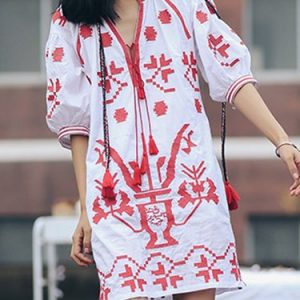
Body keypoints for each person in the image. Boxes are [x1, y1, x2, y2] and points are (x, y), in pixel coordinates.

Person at [44, 0, 300, 299]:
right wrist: (86, 208)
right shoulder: (69, 22)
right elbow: (77, 123)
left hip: (190, 186)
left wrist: (282, 141)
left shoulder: (184, 4)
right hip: (116, 198)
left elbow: (231, 72)